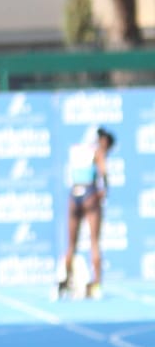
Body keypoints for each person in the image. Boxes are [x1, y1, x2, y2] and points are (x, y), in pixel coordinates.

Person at [59, 127, 114, 300]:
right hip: (90, 194)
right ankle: (97, 284)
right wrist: (104, 189)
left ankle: (65, 283)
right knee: (94, 242)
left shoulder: (78, 149)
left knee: (71, 244)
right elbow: (103, 173)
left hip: (74, 193)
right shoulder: (98, 151)